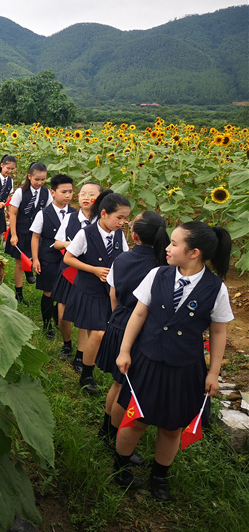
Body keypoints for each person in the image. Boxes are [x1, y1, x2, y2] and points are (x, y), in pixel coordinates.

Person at [114, 222, 232, 499]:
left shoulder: (216, 289)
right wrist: (125, 350)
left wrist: (213, 373)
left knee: (171, 427)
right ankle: (121, 467)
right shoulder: (158, 275)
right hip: (148, 360)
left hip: (185, 367)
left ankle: (159, 477)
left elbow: (218, 330)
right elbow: (139, 314)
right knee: (136, 419)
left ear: (194, 253)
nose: (167, 247)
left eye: (174, 243)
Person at [96, 211, 169, 460]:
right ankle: (114, 437)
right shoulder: (164, 267)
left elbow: (113, 295)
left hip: (119, 322)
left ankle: (106, 430)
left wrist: (119, 319)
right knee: (127, 387)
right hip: (142, 330)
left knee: (118, 383)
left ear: (134, 235)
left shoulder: (122, 259)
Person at [62, 190, 131, 394]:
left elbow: (124, 258)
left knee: (95, 331)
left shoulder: (119, 235)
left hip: (108, 292)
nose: (122, 222)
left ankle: (83, 358)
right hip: (88, 290)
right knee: (99, 332)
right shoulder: (86, 233)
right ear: (103, 214)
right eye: (119, 217)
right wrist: (93, 269)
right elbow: (68, 258)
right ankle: (87, 375)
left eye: (125, 218)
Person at [53, 182, 102, 360]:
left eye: (91, 194)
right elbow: (57, 242)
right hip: (69, 271)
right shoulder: (70, 218)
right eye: (82, 194)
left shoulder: (102, 222)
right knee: (63, 315)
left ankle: (81, 356)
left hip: (90, 273)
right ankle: (67, 344)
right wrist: (68, 244)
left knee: (84, 317)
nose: (86, 198)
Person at [30, 174, 74, 338]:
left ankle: (59, 318)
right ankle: (47, 324)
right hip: (48, 257)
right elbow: (35, 237)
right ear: (53, 192)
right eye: (64, 192)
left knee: (64, 291)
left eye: (70, 191)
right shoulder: (44, 213)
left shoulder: (74, 213)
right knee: (48, 291)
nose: (68, 195)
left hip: (68, 259)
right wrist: (35, 259)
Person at [6, 161, 49, 302]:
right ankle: (18, 293)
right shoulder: (20, 192)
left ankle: (30, 272)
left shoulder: (46, 193)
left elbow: (49, 212)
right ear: (29, 177)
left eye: (43, 179)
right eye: (37, 179)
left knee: (36, 258)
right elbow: (13, 214)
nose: (40, 182)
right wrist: (13, 234)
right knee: (19, 262)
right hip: (21, 232)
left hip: (37, 233)